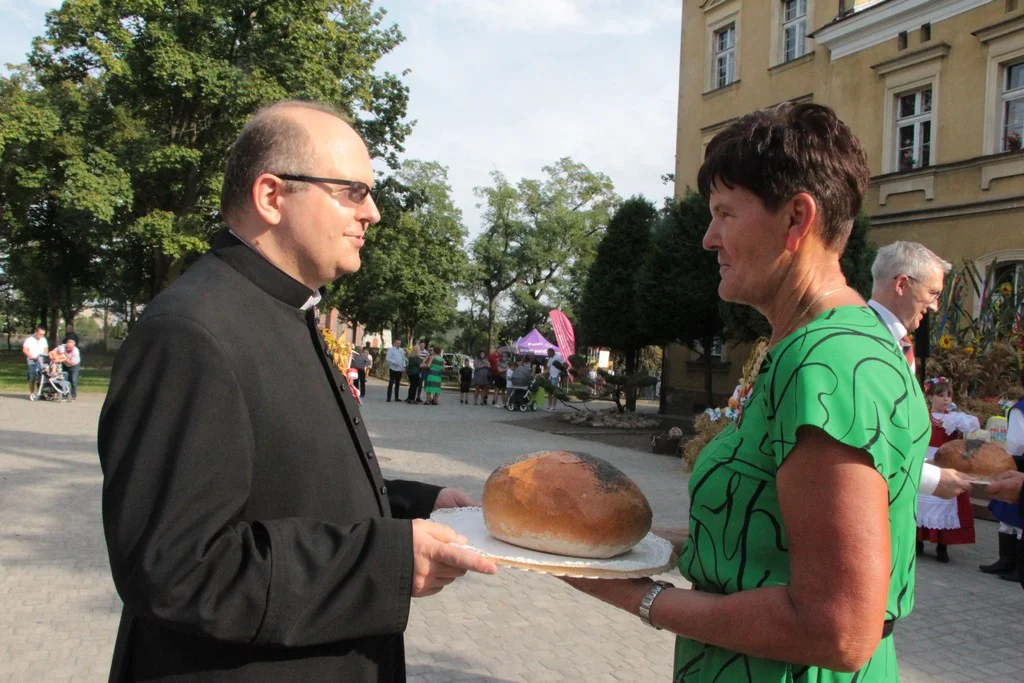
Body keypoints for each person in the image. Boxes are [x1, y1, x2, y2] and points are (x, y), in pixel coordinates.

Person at [96, 100, 496, 682]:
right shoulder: (190, 331)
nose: (374, 213)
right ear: (272, 196)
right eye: (354, 192)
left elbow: (286, 482)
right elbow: (174, 565)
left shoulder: (286, 312)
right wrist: (385, 562)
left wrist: (418, 508)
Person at [563, 103, 928, 681]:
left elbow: (837, 627)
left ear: (796, 219)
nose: (709, 239)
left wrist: (638, 597)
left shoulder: (828, 362)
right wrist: (601, 540)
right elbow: (759, 542)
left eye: (725, 214)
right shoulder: (809, 348)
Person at [868, 241, 973, 502]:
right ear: (902, 284)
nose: (935, 306)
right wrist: (932, 479)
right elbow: (865, 437)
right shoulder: (865, 340)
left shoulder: (899, 342)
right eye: (933, 293)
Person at [916, 377, 979, 563]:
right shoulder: (923, 415)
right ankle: (918, 540)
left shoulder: (954, 419)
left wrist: (954, 415)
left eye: (949, 395)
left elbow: (972, 424)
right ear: (930, 397)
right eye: (940, 395)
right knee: (922, 500)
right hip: (926, 459)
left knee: (943, 499)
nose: (945, 399)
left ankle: (941, 546)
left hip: (945, 461)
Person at [981, 368, 1024, 580]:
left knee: (1012, 517)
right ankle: (1010, 562)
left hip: (1019, 465)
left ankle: (1010, 562)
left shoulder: (1019, 410)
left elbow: (1016, 445)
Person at [22, 326, 48, 399]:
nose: (42, 336)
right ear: (36, 332)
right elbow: (25, 350)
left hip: (41, 360)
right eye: (40, 334)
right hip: (32, 360)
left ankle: (40, 393)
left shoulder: (44, 340)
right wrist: (32, 356)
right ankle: (32, 393)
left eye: (43, 334)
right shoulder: (29, 340)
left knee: (41, 377)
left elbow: (46, 350)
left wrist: (44, 357)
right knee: (32, 377)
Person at [385, 338, 406, 403]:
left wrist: (404, 367)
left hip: (399, 369)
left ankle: (396, 397)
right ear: (395, 343)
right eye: (397, 343)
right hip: (393, 369)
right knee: (391, 383)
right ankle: (388, 398)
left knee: (397, 383)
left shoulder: (402, 350)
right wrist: (394, 362)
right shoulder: (390, 350)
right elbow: (387, 358)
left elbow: (403, 359)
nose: (399, 344)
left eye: (400, 343)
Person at [545, 347, 563, 412]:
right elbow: (548, 368)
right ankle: (549, 405)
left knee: (554, 392)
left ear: (552, 352)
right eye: (547, 353)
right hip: (550, 376)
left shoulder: (558, 357)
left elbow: (565, 364)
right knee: (549, 392)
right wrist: (543, 374)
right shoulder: (550, 359)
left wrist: (561, 372)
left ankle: (554, 406)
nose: (548, 354)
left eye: (548, 353)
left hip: (555, 376)